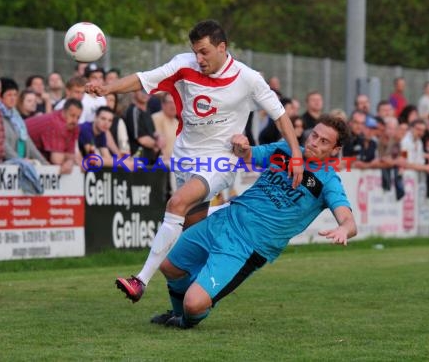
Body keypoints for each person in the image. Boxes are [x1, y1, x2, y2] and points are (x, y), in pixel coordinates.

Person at [85, 19, 303, 302]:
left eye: (204, 52)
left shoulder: (248, 78)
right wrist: (107, 89)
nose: (199, 59)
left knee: (176, 203)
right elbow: (143, 78)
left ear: (222, 47)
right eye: (195, 52)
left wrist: (296, 156)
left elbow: (280, 116)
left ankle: (140, 280)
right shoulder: (183, 64)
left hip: (220, 161)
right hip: (185, 157)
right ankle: (195, 289)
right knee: (191, 228)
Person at [150, 114, 356, 329]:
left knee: (193, 305)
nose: (314, 142)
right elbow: (247, 156)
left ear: (335, 150)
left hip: (248, 247)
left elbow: (350, 223)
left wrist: (343, 229)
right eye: (314, 135)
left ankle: (185, 320)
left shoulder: (329, 182)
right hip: (225, 219)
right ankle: (176, 312)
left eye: (324, 141)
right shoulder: (285, 150)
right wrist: (242, 145)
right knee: (169, 266)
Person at [26, 98, 82, 174]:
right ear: (64, 112)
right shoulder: (56, 123)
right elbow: (57, 160)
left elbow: (72, 155)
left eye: (78, 117)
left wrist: (70, 160)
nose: (75, 120)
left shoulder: (73, 126)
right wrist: (71, 159)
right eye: (72, 115)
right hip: (16, 144)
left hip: (32, 152)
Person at [0, 78, 48, 164]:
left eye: (15, 95)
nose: (13, 98)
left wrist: (45, 163)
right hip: (7, 165)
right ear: (0, 97)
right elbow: (3, 145)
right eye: (9, 95)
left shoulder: (16, 116)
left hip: (23, 163)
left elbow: (28, 142)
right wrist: (20, 160)